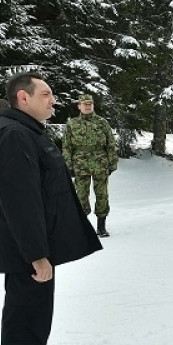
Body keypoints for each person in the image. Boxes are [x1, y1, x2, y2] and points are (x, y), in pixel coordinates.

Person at [0, 72, 101, 345]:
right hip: (27, 252)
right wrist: (36, 254)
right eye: (47, 94)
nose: (54, 100)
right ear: (23, 97)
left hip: (33, 248)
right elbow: (20, 203)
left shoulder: (25, 132)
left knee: (32, 315)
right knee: (26, 319)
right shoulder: (13, 135)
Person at [62, 93, 118, 237]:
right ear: (79, 106)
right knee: (80, 196)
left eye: (90, 104)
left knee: (102, 195)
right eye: (84, 104)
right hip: (80, 165)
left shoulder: (102, 122)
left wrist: (112, 163)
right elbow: (67, 146)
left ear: (93, 105)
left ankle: (101, 227)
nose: (87, 106)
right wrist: (68, 165)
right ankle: (83, 227)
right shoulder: (72, 124)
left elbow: (110, 144)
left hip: (100, 163)